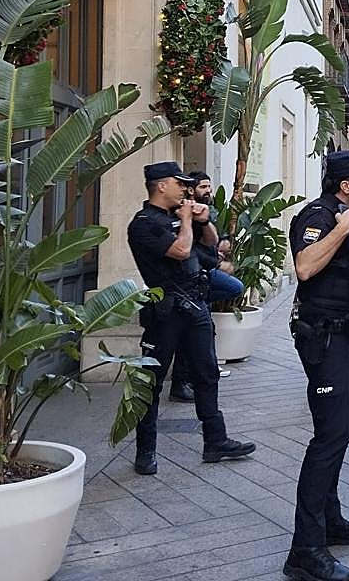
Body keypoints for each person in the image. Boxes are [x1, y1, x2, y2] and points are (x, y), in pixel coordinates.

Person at [283, 151, 349, 581]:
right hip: (324, 338)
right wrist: (342, 229)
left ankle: (331, 520)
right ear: (347, 183)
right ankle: (305, 549)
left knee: (342, 431)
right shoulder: (319, 216)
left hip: (348, 334)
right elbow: (305, 267)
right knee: (329, 437)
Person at [125, 162, 256, 478]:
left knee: (207, 374)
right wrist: (186, 219)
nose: (185, 189)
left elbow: (209, 243)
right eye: (178, 183)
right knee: (151, 383)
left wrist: (203, 219)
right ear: (160, 186)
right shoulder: (143, 224)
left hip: (194, 306)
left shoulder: (177, 217)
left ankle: (215, 440)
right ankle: (145, 453)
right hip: (165, 313)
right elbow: (182, 251)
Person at [166, 171, 246, 403]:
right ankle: (182, 383)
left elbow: (210, 241)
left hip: (198, 285)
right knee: (189, 332)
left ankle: (201, 376)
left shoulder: (203, 212)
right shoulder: (176, 217)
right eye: (203, 186)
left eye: (209, 186)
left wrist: (215, 235)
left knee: (202, 328)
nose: (208, 191)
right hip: (187, 285)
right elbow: (188, 250)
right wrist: (217, 263)